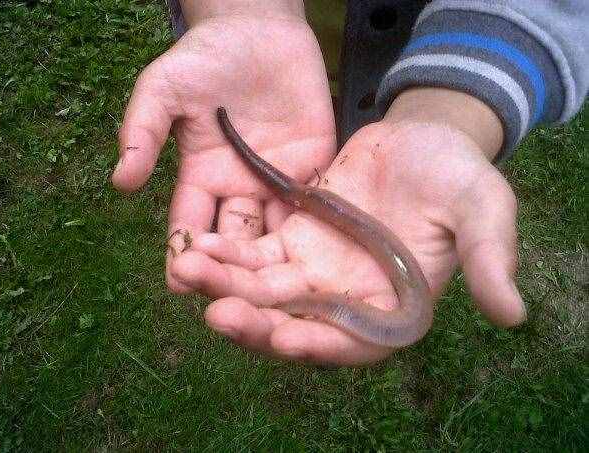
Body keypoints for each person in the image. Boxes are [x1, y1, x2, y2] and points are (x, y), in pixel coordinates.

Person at [111, 1, 588, 366]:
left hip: (406, 55)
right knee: (312, 189)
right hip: (286, 54)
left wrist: (448, 110)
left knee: (317, 188)